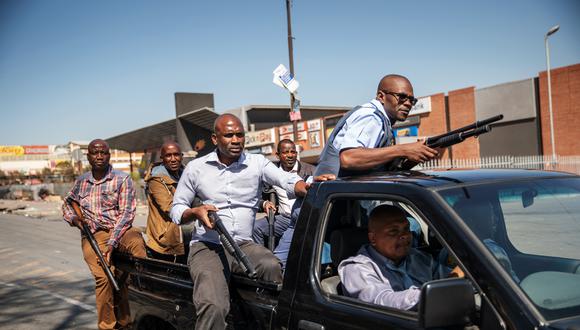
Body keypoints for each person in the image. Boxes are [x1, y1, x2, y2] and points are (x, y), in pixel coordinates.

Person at [170, 114, 331, 330]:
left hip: (243, 245)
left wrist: (306, 186)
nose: (236, 140)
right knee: (214, 306)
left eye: (240, 135)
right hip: (209, 246)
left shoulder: (257, 163)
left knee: (273, 267)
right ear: (215, 139)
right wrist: (195, 212)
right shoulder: (196, 168)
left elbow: (284, 179)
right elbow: (176, 208)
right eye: (229, 135)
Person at [62, 139, 146, 330]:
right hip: (93, 234)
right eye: (95, 152)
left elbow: (126, 214)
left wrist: (113, 242)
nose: (99, 156)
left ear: (109, 155)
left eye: (103, 153)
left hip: (121, 230)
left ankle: (129, 316)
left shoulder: (122, 179)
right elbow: (67, 203)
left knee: (137, 247)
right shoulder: (81, 181)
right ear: (88, 156)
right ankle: (108, 326)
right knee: (105, 279)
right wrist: (74, 219)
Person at [338, 205, 461, 310]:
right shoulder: (356, 269)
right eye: (393, 231)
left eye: (406, 229)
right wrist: (433, 293)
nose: (404, 236)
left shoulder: (418, 258)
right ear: (373, 239)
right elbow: (382, 303)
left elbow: (451, 279)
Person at [315, 74, 440, 178]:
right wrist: (403, 149)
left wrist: (413, 156)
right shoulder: (372, 116)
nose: (408, 103)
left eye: (412, 100)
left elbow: (383, 169)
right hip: (335, 202)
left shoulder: (383, 120)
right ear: (381, 96)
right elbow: (349, 159)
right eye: (402, 97)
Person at [253, 139, 315, 247]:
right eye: (286, 152)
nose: (290, 155)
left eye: (293, 152)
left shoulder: (311, 170)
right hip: (284, 219)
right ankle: (262, 259)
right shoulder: (271, 173)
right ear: (277, 155)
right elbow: (254, 198)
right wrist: (264, 203)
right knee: (255, 228)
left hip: (306, 218)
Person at [144, 141, 186, 263]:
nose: (173, 159)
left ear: (181, 156)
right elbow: (170, 208)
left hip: (185, 234)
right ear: (162, 158)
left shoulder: (187, 174)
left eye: (176, 155)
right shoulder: (156, 180)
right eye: (168, 155)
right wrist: (196, 211)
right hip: (166, 239)